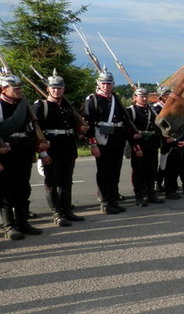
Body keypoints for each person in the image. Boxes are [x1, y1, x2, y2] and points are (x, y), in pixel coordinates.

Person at [33, 70, 87, 226]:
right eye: (54, 88)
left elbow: (73, 126)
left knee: (66, 181)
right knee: (52, 182)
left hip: (68, 147)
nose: (57, 91)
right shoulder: (41, 106)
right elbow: (36, 131)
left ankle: (66, 210)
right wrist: (43, 153)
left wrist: (81, 128)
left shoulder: (67, 106)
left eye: (59, 88)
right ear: (48, 89)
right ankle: (57, 213)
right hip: (52, 148)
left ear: (64, 89)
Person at [0, 73, 47, 239]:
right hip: (5, 153)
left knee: (23, 188)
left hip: (23, 151)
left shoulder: (23, 105)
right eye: (15, 88)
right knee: (6, 190)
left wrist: (41, 147)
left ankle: (22, 222)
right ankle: (9, 226)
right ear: (3, 89)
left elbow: (32, 127)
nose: (19, 90)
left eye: (20, 88)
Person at [84, 70, 129, 214]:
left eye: (109, 83)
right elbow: (89, 124)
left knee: (115, 171)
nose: (106, 86)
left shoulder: (115, 98)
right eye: (103, 83)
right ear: (98, 83)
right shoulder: (92, 99)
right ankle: (105, 202)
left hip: (117, 139)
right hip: (102, 140)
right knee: (104, 172)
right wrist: (93, 144)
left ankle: (113, 199)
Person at [126, 86, 164, 206]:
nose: (144, 98)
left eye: (145, 96)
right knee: (139, 172)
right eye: (141, 96)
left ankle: (151, 194)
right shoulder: (130, 111)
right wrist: (135, 145)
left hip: (152, 144)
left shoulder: (151, 110)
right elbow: (128, 131)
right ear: (135, 97)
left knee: (152, 170)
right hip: (139, 144)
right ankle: (139, 196)